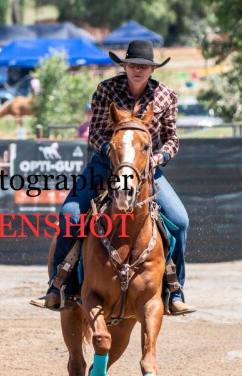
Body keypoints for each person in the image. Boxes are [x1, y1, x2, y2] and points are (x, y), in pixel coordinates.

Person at [33, 40, 195, 315]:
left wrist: (157, 159)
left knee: (179, 222)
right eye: (132, 65)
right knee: (70, 215)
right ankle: (58, 286)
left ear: (152, 70)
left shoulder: (166, 95)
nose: (137, 70)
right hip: (106, 164)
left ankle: (174, 290)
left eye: (143, 66)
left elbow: (172, 140)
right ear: (125, 66)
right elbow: (95, 132)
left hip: (145, 169)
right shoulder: (106, 89)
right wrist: (113, 153)